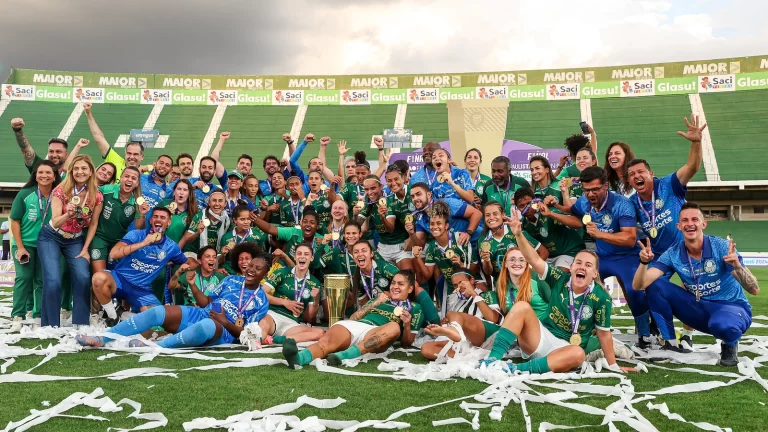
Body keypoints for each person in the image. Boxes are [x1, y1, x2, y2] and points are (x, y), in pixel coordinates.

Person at [480, 217, 633, 374]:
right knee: (521, 306)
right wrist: (518, 234)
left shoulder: (602, 298)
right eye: (578, 263)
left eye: (588, 265)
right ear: (571, 266)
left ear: (595, 273)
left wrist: (613, 365)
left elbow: (604, 333)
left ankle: (514, 369)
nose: (582, 267)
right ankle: (491, 361)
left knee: (578, 354)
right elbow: (534, 259)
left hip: (568, 349)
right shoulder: (559, 277)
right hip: (542, 338)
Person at [546, 166, 663, 350]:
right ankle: (576, 329)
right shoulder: (585, 202)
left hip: (626, 256)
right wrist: (555, 209)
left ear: (606, 186)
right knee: (578, 284)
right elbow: (575, 214)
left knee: (634, 291)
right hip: (602, 258)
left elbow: (629, 237)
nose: (590, 194)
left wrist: (599, 234)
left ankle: (645, 334)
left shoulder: (622, 204)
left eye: (595, 189)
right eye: (587, 190)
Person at [633, 202, 760, 366]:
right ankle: (671, 344)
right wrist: (643, 262)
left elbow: (754, 289)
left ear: (703, 224)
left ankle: (729, 345)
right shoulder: (673, 253)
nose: (690, 224)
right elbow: (639, 285)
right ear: (679, 226)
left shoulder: (721, 247)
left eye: (694, 219)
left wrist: (737, 266)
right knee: (655, 286)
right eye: (685, 220)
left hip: (730, 308)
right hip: (698, 309)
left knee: (723, 326)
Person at [76, 253, 270, 349]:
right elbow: (206, 302)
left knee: (205, 326)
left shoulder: (261, 301)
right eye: (250, 265)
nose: (251, 269)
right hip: (204, 313)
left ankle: (157, 347)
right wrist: (194, 287)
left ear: (265, 274)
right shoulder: (231, 280)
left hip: (224, 331)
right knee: (158, 311)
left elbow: (248, 335)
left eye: (258, 268)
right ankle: (103, 338)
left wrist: (224, 321)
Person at [421, 248, 551, 360]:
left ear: (472, 280)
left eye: (461, 283)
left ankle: (454, 331)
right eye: (455, 285)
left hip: (490, 332)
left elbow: (494, 318)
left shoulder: (487, 294)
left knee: (454, 315)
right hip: (469, 339)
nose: (458, 287)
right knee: (426, 349)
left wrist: (473, 294)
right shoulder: (456, 300)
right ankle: (471, 358)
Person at [282, 270, 424, 369]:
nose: (395, 287)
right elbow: (353, 318)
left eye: (400, 284)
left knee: (394, 326)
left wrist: (406, 325)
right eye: (393, 283)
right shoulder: (380, 299)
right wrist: (375, 302)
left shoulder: (415, 308)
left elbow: (407, 343)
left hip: (376, 334)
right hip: (358, 325)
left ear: (410, 289)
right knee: (326, 342)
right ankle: (298, 359)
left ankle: (343, 356)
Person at [91, 207, 193, 326]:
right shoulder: (136, 234)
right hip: (120, 279)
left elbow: (186, 263)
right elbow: (114, 253)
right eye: (155, 216)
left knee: (158, 318)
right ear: (150, 220)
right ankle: (113, 317)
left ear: (169, 222)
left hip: (141, 289)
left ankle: (124, 316)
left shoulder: (171, 247)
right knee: (98, 278)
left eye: (163, 217)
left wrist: (186, 268)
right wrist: (144, 243)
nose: (158, 219)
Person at [38, 154, 103, 328]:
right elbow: (55, 220)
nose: (80, 172)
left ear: (90, 172)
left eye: (84, 168)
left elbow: (94, 224)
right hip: (51, 236)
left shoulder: (97, 195)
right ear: (71, 171)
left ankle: (80, 322)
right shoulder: (60, 190)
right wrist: (68, 213)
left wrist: (85, 249)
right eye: (76, 169)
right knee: (53, 280)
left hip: (75, 240)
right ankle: (50, 325)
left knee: (82, 276)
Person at [9, 161, 61, 331]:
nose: (44, 175)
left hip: (47, 245)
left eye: (48, 172)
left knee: (41, 280)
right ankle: (18, 315)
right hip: (24, 244)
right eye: (40, 172)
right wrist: (20, 247)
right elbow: (15, 221)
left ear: (54, 176)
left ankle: (38, 314)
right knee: (24, 278)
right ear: (35, 175)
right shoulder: (25, 194)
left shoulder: (59, 195)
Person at [412, 201, 479, 314]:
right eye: (432, 224)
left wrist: (461, 265)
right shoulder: (432, 247)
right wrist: (417, 258)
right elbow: (428, 275)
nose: (435, 227)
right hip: (450, 289)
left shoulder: (460, 239)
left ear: (446, 225)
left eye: (439, 223)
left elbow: (475, 269)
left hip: (469, 286)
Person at [260, 243, 325, 343]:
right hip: (274, 315)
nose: (302, 256)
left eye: (306, 254)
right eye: (299, 253)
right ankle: (257, 341)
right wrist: (284, 302)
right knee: (264, 323)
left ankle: (274, 340)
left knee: (320, 333)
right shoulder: (282, 272)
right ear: (294, 257)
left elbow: (310, 316)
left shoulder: (315, 283)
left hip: (293, 323)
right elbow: (261, 293)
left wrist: (316, 300)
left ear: (311, 258)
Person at [90, 167, 148, 275]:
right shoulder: (106, 190)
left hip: (119, 242)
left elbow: (138, 229)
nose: (129, 180)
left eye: (133, 178)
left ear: (137, 183)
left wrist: (142, 215)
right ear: (120, 178)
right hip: (100, 238)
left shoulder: (138, 201)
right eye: (126, 176)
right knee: (99, 276)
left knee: (115, 276)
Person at [514, 188, 583, 270]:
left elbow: (578, 224)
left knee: (557, 275)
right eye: (522, 206)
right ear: (517, 208)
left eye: (529, 203)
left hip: (569, 251)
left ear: (535, 201)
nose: (527, 208)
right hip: (548, 257)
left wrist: (550, 214)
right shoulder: (522, 225)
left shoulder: (549, 211)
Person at [479, 201, 546, 284]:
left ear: (503, 215)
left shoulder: (515, 232)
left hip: (524, 281)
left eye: (495, 214)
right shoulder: (483, 240)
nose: (491, 217)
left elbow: (543, 252)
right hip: (502, 285)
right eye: (488, 215)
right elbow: (488, 272)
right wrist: (486, 260)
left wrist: (531, 272)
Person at [406, 182, 483, 248]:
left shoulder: (447, 203)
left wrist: (468, 233)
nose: (415, 198)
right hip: (458, 250)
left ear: (429, 195)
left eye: (418, 194)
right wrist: (412, 234)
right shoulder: (420, 219)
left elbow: (477, 213)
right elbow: (420, 245)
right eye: (412, 196)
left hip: (477, 242)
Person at [357, 175, 411, 268]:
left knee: (406, 277)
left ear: (381, 186)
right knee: (383, 280)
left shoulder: (390, 200)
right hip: (383, 248)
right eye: (366, 189)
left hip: (400, 247)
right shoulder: (368, 201)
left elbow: (390, 229)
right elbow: (357, 224)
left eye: (373, 188)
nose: (370, 192)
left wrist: (382, 217)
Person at [83, 103, 143, 180]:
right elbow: (99, 138)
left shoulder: (146, 173)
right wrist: (88, 114)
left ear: (142, 156)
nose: (131, 157)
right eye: (129, 153)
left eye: (135, 154)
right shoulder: (115, 160)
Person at [218, 205, 268, 274]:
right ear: (235, 220)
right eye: (242, 219)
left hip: (251, 274)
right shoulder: (226, 237)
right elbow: (220, 262)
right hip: (230, 274)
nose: (246, 222)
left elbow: (262, 258)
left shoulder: (259, 236)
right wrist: (223, 255)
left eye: (248, 219)